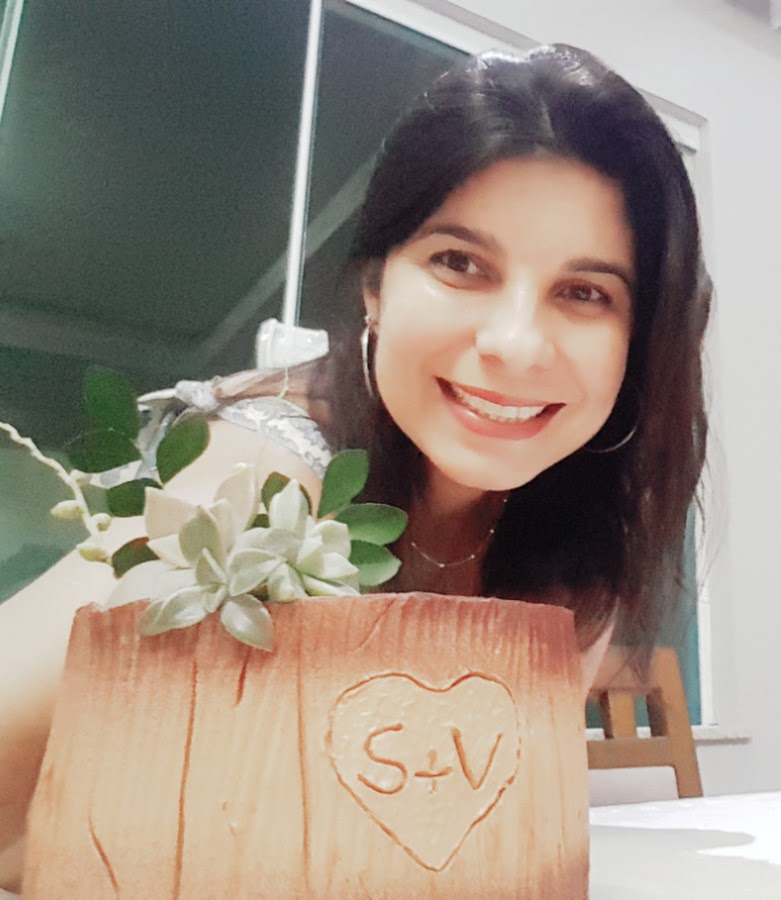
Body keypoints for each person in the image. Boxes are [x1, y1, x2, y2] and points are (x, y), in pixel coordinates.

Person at [0, 43, 709, 887]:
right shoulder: (259, 476)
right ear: (376, 286)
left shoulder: (577, 538)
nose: (516, 344)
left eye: (585, 292)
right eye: (460, 264)